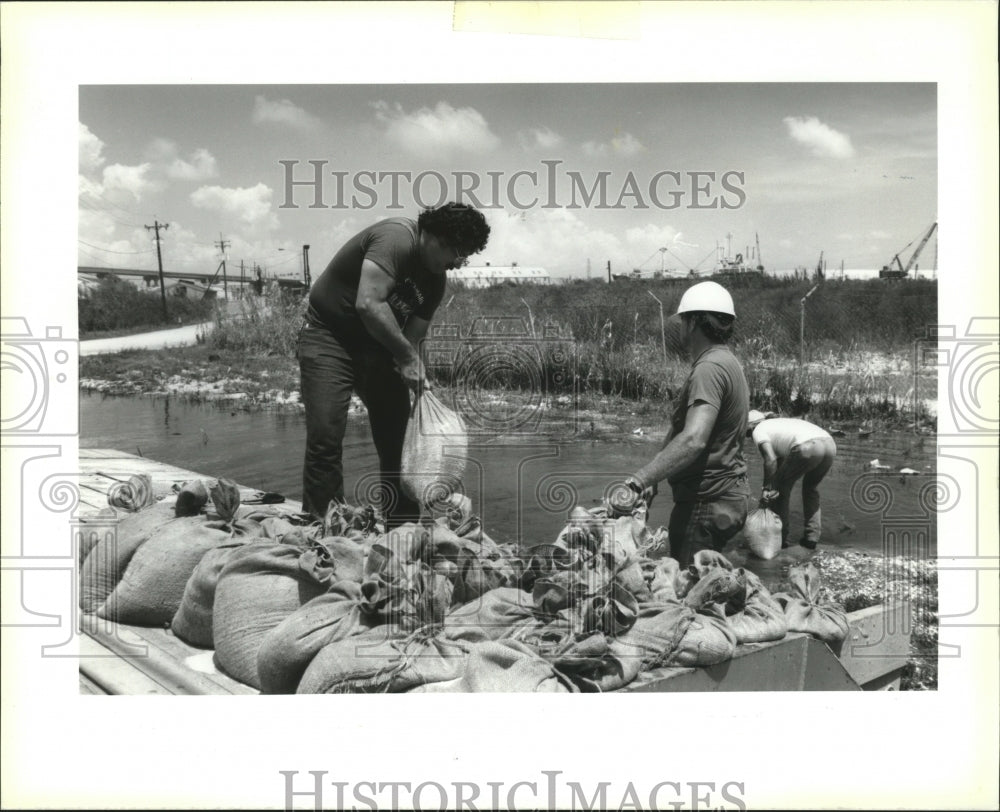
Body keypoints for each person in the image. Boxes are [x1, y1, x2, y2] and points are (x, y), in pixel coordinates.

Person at [297, 203, 490, 526]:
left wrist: (414, 374)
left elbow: (412, 336)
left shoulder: (435, 281)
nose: (456, 264)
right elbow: (369, 303)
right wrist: (407, 358)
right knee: (326, 437)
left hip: (379, 347)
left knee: (398, 442)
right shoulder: (396, 240)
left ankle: (403, 527)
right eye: (456, 253)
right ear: (433, 236)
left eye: (464, 257)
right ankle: (322, 526)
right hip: (329, 338)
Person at [616, 281, 751, 567]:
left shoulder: (709, 369)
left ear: (693, 322)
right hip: (727, 498)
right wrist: (655, 479)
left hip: (706, 505)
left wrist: (638, 482)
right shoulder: (726, 362)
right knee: (707, 584)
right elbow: (685, 430)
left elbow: (694, 438)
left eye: (682, 320)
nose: (679, 327)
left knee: (688, 596)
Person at [747, 410, 837, 550]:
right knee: (810, 489)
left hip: (808, 446)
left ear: (751, 425)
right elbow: (781, 462)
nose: (747, 435)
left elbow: (770, 460)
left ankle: (781, 540)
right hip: (830, 445)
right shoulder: (777, 424)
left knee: (780, 491)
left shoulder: (758, 430)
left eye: (745, 429)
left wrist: (767, 488)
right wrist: (774, 481)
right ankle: (811, 539)